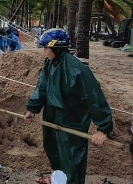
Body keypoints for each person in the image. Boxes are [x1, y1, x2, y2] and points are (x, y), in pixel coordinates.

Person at [24, 29, 113, 184]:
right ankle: (57, 180)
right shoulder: (50, 63)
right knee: (54, 153)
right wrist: (33, 108)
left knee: (72, 160)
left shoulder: (77, 70)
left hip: (72, 122)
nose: (44, 51)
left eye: (46, 48)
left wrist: (103, 128)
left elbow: (94, 98)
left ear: (56, 48)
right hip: (52, 118)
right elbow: (42, 87)